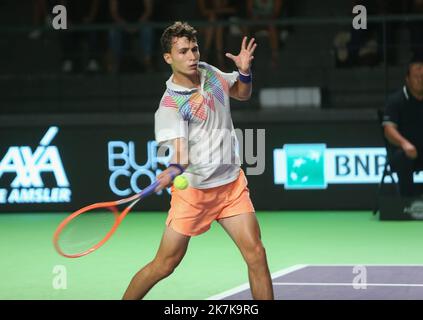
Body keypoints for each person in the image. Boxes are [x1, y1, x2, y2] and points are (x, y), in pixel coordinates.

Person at [122, 21, 274, 300]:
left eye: (194, 49)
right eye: (183, 51)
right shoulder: (169, 106)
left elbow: (242, 93)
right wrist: (172, 170)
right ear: (168, 58)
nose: (192, 56)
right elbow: (181, 154)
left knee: (256, 254)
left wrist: (244, 71)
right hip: (194, 193)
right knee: (165, 265)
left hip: (231, 186)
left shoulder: (210, 73)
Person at [382, 55, 423, 197]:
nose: (420, 79)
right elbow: (388, 130)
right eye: (416, 76)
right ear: (407, 79)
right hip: (405, 152)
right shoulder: (395, 100)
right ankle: (407, 202)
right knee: (402, 157)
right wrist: (404, 143)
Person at [108, 0, 154, 73]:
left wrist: (138, 24)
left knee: (147, 29)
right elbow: (113, 12)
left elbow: (148, 10)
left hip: (140, 22)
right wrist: (124, 25)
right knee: (113, 31)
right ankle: (115, 61)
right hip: (121, 23)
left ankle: (147, 61)